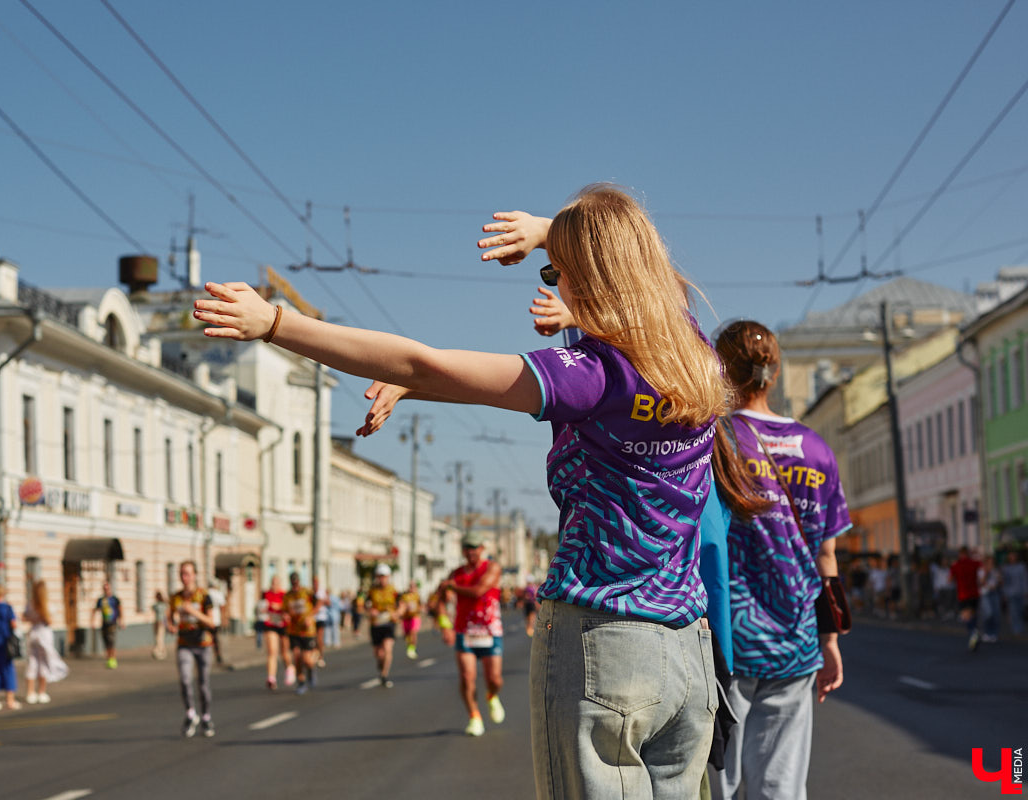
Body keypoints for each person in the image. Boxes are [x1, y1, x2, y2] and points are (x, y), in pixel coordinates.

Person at [196, 185, 728, 799]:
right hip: (688, 654)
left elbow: (422, 362)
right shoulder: (696, 357)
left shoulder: (590, 377)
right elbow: (640, 266)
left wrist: (276, 323)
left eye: (560, 273)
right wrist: (546, 230)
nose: (556, 286)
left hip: (603, 645)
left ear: (591, 278)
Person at [709, 320, 852, 800]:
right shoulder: (817, 449)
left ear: (723, 369)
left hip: (726, 639)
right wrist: (829, 640)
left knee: (717, 781)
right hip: (796, 639)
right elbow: (826, 553)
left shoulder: (716, 440)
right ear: (773, 372)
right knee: (781, 785)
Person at [442, 532, 505, 737]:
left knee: (494, 679)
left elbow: (479, 591)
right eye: (467, 548)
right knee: (467, 676)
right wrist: (445, 625)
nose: (471, 552)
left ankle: (491, 696)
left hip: (489, 630)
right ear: (463, 550)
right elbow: (439, 600)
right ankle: (474, 716)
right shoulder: (456, 574)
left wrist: (453, 587)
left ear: (481, 549)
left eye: (475, 547)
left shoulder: (492, 568)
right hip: (465, 631)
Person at [168, 560, 216, 737]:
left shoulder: (204, 596)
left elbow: (211, 621)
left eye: (187, 573)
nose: (184, 577)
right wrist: (172, 625)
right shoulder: (176, 597)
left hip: (203, 643)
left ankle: (206, 717)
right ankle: (190, 713)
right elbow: (171, 618)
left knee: (203, 684)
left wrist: (193, 612)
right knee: (185, 679)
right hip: (184, 644)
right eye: (182, 573)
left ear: (195, 575)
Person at [24, 579, 68, 704]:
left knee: (32, 662)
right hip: (43, 633)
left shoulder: (30, 604)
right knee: (44, 662)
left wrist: (33, 618)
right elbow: (49, 621)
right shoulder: (46, 604)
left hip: (33, 633)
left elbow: (25, 616)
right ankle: (41, 692)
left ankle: (30, 692)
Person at [283, 572, 319, 694]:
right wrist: (286, 616)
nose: (295, 585)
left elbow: (318, 603)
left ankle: (311, 670)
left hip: (308, 630)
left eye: (296, 582)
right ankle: (301, 682)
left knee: (307, 659)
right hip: (294, 630)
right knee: (297, 656)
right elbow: (284, 611)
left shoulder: (306, 592)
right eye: (293, 583)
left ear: (299, 582)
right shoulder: (288, 596)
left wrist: (310, 617)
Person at [366, 564, 401, 687]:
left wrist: (397, 613)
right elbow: (365, 604)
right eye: (380, 576)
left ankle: (384, 675)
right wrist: (371, 611)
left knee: (387, 649)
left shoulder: (393, 590)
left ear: (388, 577)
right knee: (378, 654)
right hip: (376, 624)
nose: (382, 579)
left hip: (389, 624)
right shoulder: (372, 590)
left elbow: (401, 605)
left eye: (384, 576)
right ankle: (381, 666)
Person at [259, 575, 289, 690]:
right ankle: (271, 678)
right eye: (272, 582)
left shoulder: (284, 595)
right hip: (271, 624)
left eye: (276, 583)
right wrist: (263, 610)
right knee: (272, 651)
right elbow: (262, 607)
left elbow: (288, 609)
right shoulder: (266, 594)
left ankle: (289, 668)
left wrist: (280, 607)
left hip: (282, 625)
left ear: (280, 584)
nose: (274, 585)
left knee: (284, 653)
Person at [950, 546, 982, 651]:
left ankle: (973, 632)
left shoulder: (956, 565)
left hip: (963, 594)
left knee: (966, 616)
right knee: (973, 613)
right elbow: (983, 567)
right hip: (974, 593)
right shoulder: (974, 563)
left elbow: (950, 579)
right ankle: (975, 630)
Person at [91, 582, 124, 669]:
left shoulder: (114, 599)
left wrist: (121, 621)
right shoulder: (101, 600)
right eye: (104, 588)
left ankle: (113, 659)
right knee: (106, 642)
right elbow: (95, 610)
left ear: (110, 589)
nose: (106, 590)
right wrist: (92, 622)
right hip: (104, 624)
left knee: (111, 642)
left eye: (107, 588)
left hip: (112, 623)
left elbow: (120, 610)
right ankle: (109, 658)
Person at [1001, 550, 1027, 636]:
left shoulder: (1021, 566)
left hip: (1020, 592)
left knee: (1020, 610)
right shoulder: (1005, 568)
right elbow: (1004, 581)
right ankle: (1016, 628)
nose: (1013, 558)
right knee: (1013, 611)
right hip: (1010, 593)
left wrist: (1026, 590)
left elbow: (1024, 579)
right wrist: (1004, 593)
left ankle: (1020, 627)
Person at [978, 555, 1003, 644]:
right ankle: (986, 632)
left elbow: (1000, 582)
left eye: (992, 562)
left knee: (996, 614)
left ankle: (994, 633)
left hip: (995, 593)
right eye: (989, 562)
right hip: (986, 593)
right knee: (988, 613)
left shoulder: (996, 570)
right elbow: (981, 582)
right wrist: (987, 572)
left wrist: (999, 578)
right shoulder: (982, 570)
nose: (991, 564)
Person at [399, 581, 422, 659]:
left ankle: (412, 649)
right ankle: (410, 646)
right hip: (406, 618)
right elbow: (401, 605)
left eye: (414, 587)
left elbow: (420, 605)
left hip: (415, 617)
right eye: (411, 586)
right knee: (407, 635)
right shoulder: (404, 596)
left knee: (413, 632)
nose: (412, 588)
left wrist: (418, 609)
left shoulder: (417, 596)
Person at [207, 580, 227, 667]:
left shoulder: (206, 593)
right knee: (215, 639)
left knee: (208, 638)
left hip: (207, 620)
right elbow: (222, 606)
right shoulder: (218, 593)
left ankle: (209, 656)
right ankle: (217, 655)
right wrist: (224, 618)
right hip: (216, 619)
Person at [313, 576, 330, 667]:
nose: (315, 585)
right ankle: (316, 654)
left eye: (316, 583)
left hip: (321, 617)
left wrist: (324, 601)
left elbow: (328, 603)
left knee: (319, 638)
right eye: (314, 583)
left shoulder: (322, 592)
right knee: (313, 638)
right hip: (313, 619)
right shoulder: (311, 592)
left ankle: (321, 656)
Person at [152, 590, 170, 659]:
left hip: (161, 622)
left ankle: (160, 651)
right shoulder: (162, 604)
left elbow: (167, 613)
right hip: (158, 621)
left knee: (159, 637)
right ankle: (161, 650)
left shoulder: (160, 605)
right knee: (158, 636)